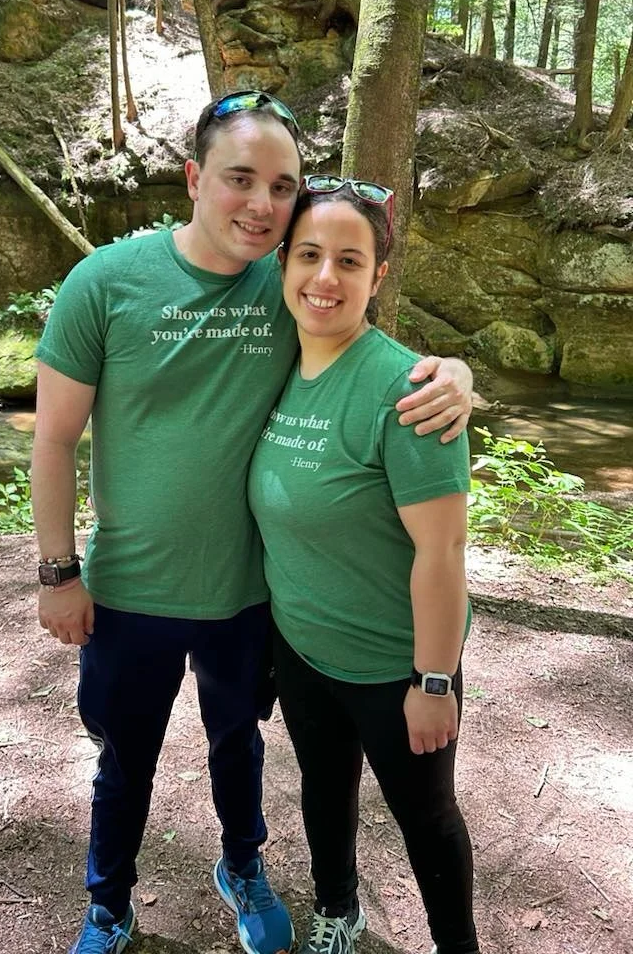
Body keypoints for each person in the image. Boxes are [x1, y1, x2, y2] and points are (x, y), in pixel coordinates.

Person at [31, 92, 474, 954]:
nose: (262, 204)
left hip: (248, 597)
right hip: (128, 588)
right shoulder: (107, 282)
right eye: (241, 179)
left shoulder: (290, 286)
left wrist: (456, 375)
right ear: (195, 177)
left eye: (282, 185)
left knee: (239, 744)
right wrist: (57, 571)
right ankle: (107, 904)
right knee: (125, 760)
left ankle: (243, 868)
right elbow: (51, 440)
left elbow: (367, 343)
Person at [247, 175, 479, 954]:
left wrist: (433, 680)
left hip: (395, 665)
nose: (325, 277)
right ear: (282, 264)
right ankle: (337, 913)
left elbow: (442, 549)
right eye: (309, 254)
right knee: (323, 787)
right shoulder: (275, 361)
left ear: (377, 277)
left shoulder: (407, 391)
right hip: (304, 650)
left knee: (426, 818)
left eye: (350, 261)